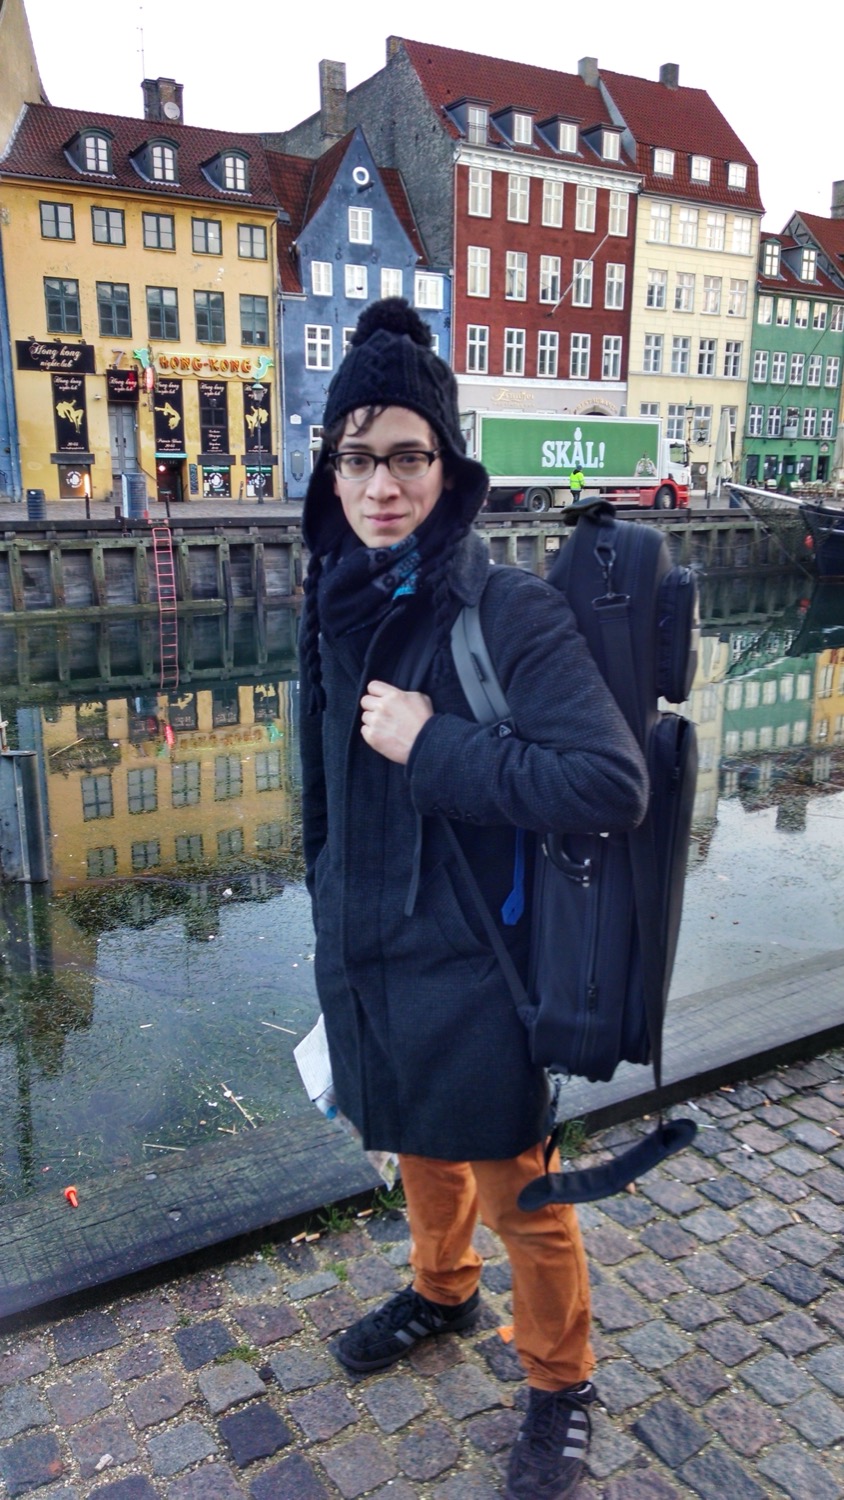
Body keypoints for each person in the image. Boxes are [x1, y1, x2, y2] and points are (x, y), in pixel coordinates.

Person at [298, 299, 648, 1500]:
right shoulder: (334, 597)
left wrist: (436, 744)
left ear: (447, 467)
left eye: (407, 453)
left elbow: (610, 783)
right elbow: (321, 782)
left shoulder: (506, 609)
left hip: (482, 964)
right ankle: (442, 1296)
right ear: (330, 468)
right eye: (359, 454)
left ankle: (561, 1381)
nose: (381, 483)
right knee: (412, 1144)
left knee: (521, 1191)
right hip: (370, 947)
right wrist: (322, 887)